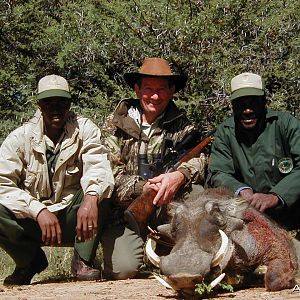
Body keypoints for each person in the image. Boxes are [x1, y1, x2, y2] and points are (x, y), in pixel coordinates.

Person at [0, 74, 114, 285]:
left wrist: (90, 199)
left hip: (75, 218)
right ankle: (29, 261)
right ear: (39, 105)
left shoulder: (85, 129)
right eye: (48, 103)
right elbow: (2, 184)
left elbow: (99, 167)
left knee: (101, 190)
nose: (55, 108)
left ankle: (83, 260)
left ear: (69, 104)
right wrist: (38, 210)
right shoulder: (19, 138)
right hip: (35, 221)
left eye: (61, 102)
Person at [101, 57, 207, 280]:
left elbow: (201, 159)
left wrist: (180, 175)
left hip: (166, 209)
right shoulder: (114, 125)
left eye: (161, 90)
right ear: (137, 89)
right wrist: (143, 187)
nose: (155, 96)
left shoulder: (183, 126)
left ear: (171, 91)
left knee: (196, 193)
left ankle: (172, 249)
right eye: (148, 89)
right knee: (123, 270)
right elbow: (108, 172)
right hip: (124, 213)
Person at [207, 72, 300, 229]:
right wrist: (240, 190)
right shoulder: (225, 132)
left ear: (264, 102)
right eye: (241, 103)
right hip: (245, 217)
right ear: (232, 105)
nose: (247, 110)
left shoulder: (285, 124)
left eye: (253, 102)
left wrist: (276, 196)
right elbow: (218, 172)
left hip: (292, 214)